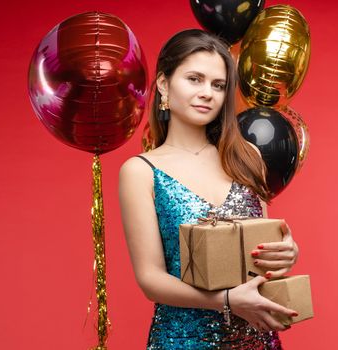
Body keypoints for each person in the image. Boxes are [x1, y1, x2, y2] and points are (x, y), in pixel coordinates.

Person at [119, 29, 299, 349]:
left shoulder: (248, 157)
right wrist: (227, 300)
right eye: (194, 79)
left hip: (256, 339)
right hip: (183, 339)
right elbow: (150, 279)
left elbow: (261, 255)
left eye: (218, 85)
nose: (207, 93)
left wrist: (285, 254)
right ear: (164, 84)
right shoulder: (140, 171)